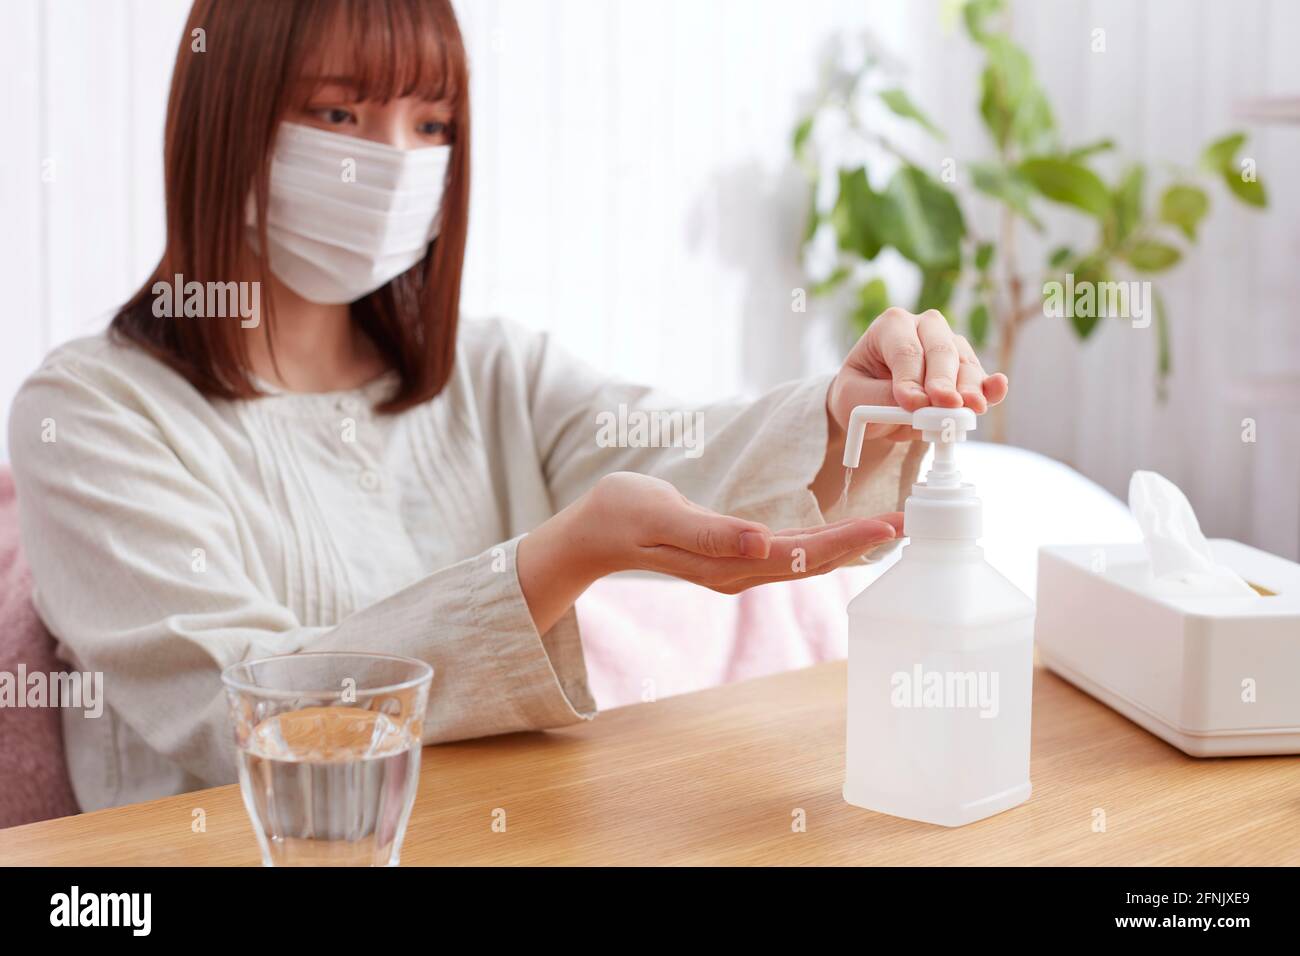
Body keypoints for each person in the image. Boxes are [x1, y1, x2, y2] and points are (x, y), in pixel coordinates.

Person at [8, 0, 1007, 811]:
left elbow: (682, 452)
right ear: (225, 121)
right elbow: (244, 716)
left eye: (430, 124)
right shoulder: (91, 413)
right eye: (338, 113)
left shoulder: (490, 370)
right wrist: (553, 562)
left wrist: (842, 407)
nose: (396, 160)